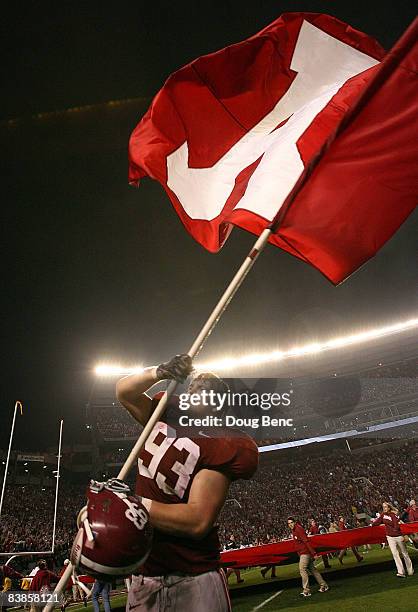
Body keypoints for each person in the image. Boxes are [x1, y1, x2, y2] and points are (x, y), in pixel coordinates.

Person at [116, 354, 259, 612]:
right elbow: (124, 391)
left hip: (193, 575)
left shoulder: (223, 441)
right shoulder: (165, 412)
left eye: (204, 387)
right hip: (144, 575)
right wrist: (159, 371)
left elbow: (196, 520)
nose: (193, 388)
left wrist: (132, 504)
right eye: (192, 384)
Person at [287, 517, 328, 597]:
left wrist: (314, 553)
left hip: (305, 553)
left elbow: (306, 541)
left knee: (302, 569)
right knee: (313, 570)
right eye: (288, 523)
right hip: (304, 553)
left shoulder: (298, 529)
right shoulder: (295, 529)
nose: (290, 524)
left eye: (291, 522)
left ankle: (306, 590)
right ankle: (324, 586)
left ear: (295, 522)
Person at [372, 501, 414, 577]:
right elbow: (377, 522)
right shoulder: (383, 515)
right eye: (383, 507)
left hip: (398, 536)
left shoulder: (393, 514)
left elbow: (396, 525)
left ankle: (410, 570)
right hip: (390, 537)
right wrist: (372, 524)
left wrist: (395, 530)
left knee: (404, 553)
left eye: (385, 507)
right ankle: (401, 572)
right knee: (395, 554)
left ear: (388, 507)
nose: (384, 508)